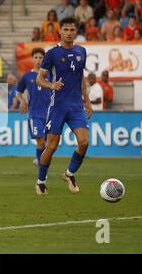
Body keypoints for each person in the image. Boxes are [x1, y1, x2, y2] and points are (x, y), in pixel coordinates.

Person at [35, 17, 93, 195]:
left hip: (76, 106)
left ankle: (69, 174)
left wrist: (87, 100)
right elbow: (40, 78)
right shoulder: (52, 54)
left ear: (76, 32)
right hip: (58, 106)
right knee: (51, 146)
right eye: (66, 29)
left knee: (84, 142)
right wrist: (52, 85)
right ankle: (40, 181)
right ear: (60, 31)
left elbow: (80, 77)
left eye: (72, 30)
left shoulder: (81, 51)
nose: (69, 33)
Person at [16, 48, 51, 167]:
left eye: (41, 57)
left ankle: (39, 159)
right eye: (35, 57)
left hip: (49, 114)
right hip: (35, 114)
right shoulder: (27, 76)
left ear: (44, 59)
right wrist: (22, 102)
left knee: (48, 144)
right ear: (32, 59)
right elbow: (18, 92)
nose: (38, 60)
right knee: (41, 142)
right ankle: (41, 168)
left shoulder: (50, 75)